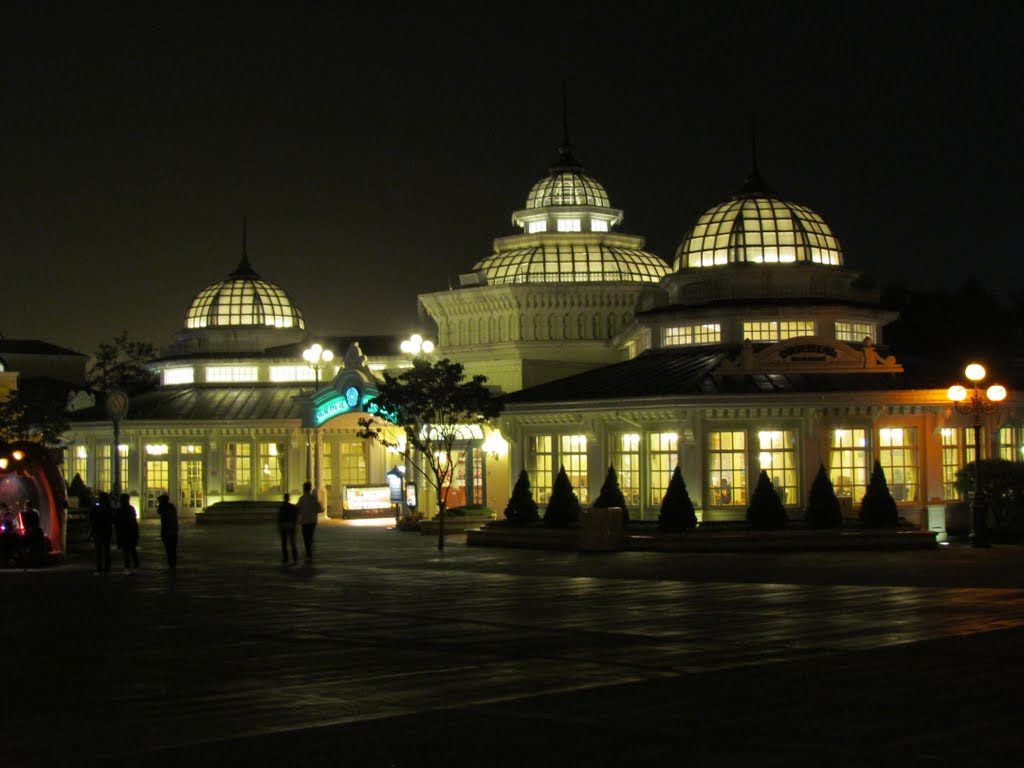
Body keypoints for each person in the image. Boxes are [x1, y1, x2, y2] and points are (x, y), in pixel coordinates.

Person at [296, 481, 322, 563]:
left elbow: (297, 509)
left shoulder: (302, 499)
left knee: (306, 538)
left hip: (305, 521)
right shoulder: (313, 498)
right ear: (310, 488)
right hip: (312, 521)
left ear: (304, 489)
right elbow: (320, 509)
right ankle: (310, 550)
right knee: (310, 536)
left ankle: (308, 553)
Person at [90, 492, 115, 575]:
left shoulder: (96, 508)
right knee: (106, 551)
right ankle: (107, 568)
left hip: (98, 531)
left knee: (98, 552)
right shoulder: (109, 509)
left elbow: (91, 518)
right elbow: (112, 520)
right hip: (106, 532)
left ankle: (99, 569)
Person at [115, 493, 140, 572]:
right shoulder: (130, 509)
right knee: (131, 551)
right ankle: (134, 566)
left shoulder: (120, 510)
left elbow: (117, 523)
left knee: (127, 551)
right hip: (129, 532)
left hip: (125, 533)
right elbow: (134, 522)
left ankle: (128, 567)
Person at [156, 493, 178, 571]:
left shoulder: (164, 507)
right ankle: (173, 565)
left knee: (169, 550)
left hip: (167, 531)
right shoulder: (171, 506)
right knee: (173, 550)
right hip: (174, 531)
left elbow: (158, 511)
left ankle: (171, 566)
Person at [277, 492, 299, 563]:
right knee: (292, 542)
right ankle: (295, 558)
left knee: (284, 543)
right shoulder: (293, 507)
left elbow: (280, 518)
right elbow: (296, 515)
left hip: (284, 526)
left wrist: (279, 526)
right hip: (291, 525)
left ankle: (286, 558)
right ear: (289, 499)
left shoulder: (281, 508)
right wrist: (294, 523)